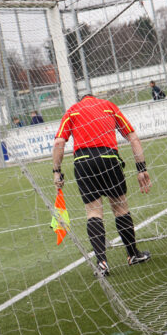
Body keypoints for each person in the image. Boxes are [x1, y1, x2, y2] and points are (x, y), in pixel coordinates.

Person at [52, 94, 151, 277]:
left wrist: (56, 171)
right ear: (94, 98)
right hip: (109, 159)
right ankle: (132, 254)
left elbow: (59, 142)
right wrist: (141, 168)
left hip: (83, 162)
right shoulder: (108, 106)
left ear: (82, 100)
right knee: (120, 208)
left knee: (93, 212)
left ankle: (102, 263)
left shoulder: (72, 111)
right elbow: (133, 137)